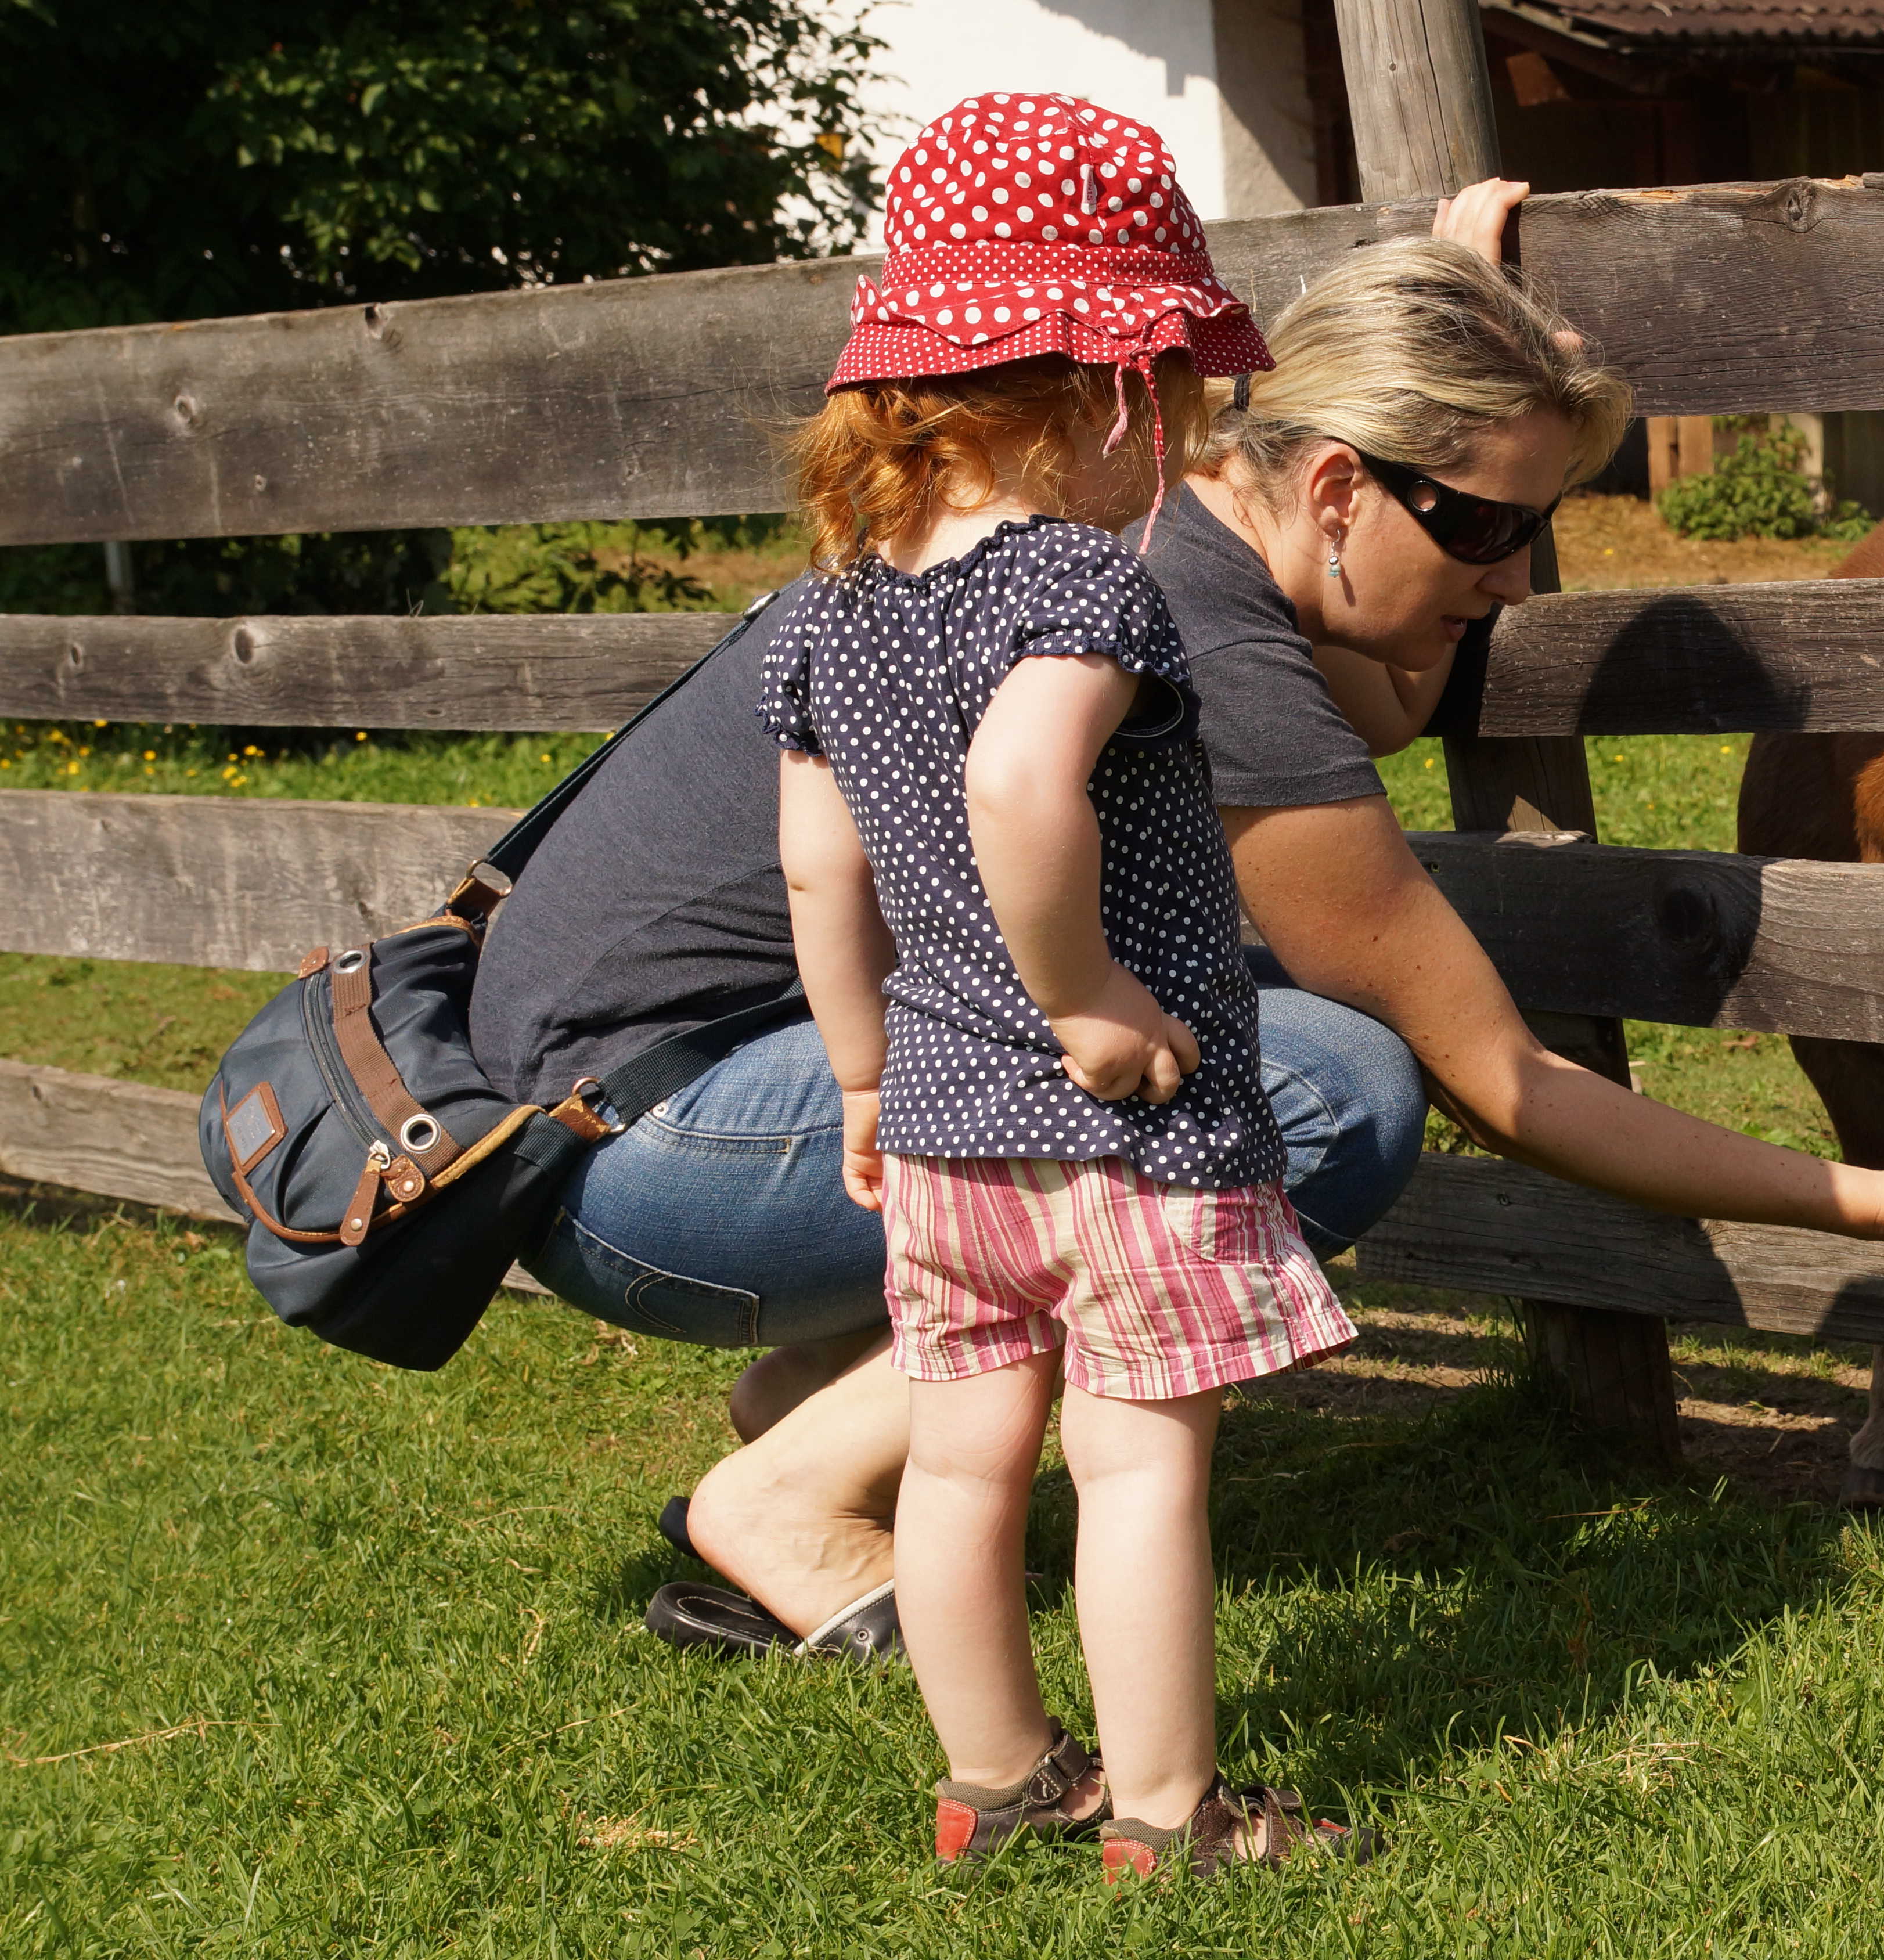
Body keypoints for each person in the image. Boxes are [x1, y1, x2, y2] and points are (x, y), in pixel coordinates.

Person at [463, 170, 1884, 1656]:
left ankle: (827, 1401)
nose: (1516, 575)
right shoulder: (1175, 621)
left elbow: (1376, 680)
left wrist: (1459, 306)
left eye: (1539, 525)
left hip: (603, 1105)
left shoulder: (1167, 514)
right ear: (1338, 486)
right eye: (1488, 523)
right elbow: (1511, 1079)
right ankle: (786, 1495)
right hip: (645, 1142)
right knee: (1322, 1088)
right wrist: (1876, 1198)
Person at [754, 95, 1369, 1875]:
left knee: (959, 1465)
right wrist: (1089, 996)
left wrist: (863, 1077)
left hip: (945, 1131)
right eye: (1175, 406)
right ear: (1107, 394)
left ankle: (1003, 1781)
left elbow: (818, 868)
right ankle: (1170, 1817)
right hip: (1128, 1131)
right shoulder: (1081, 587)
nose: (1174, 449)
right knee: (1137, 1466)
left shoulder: (828, 610)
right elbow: (1022, 784)